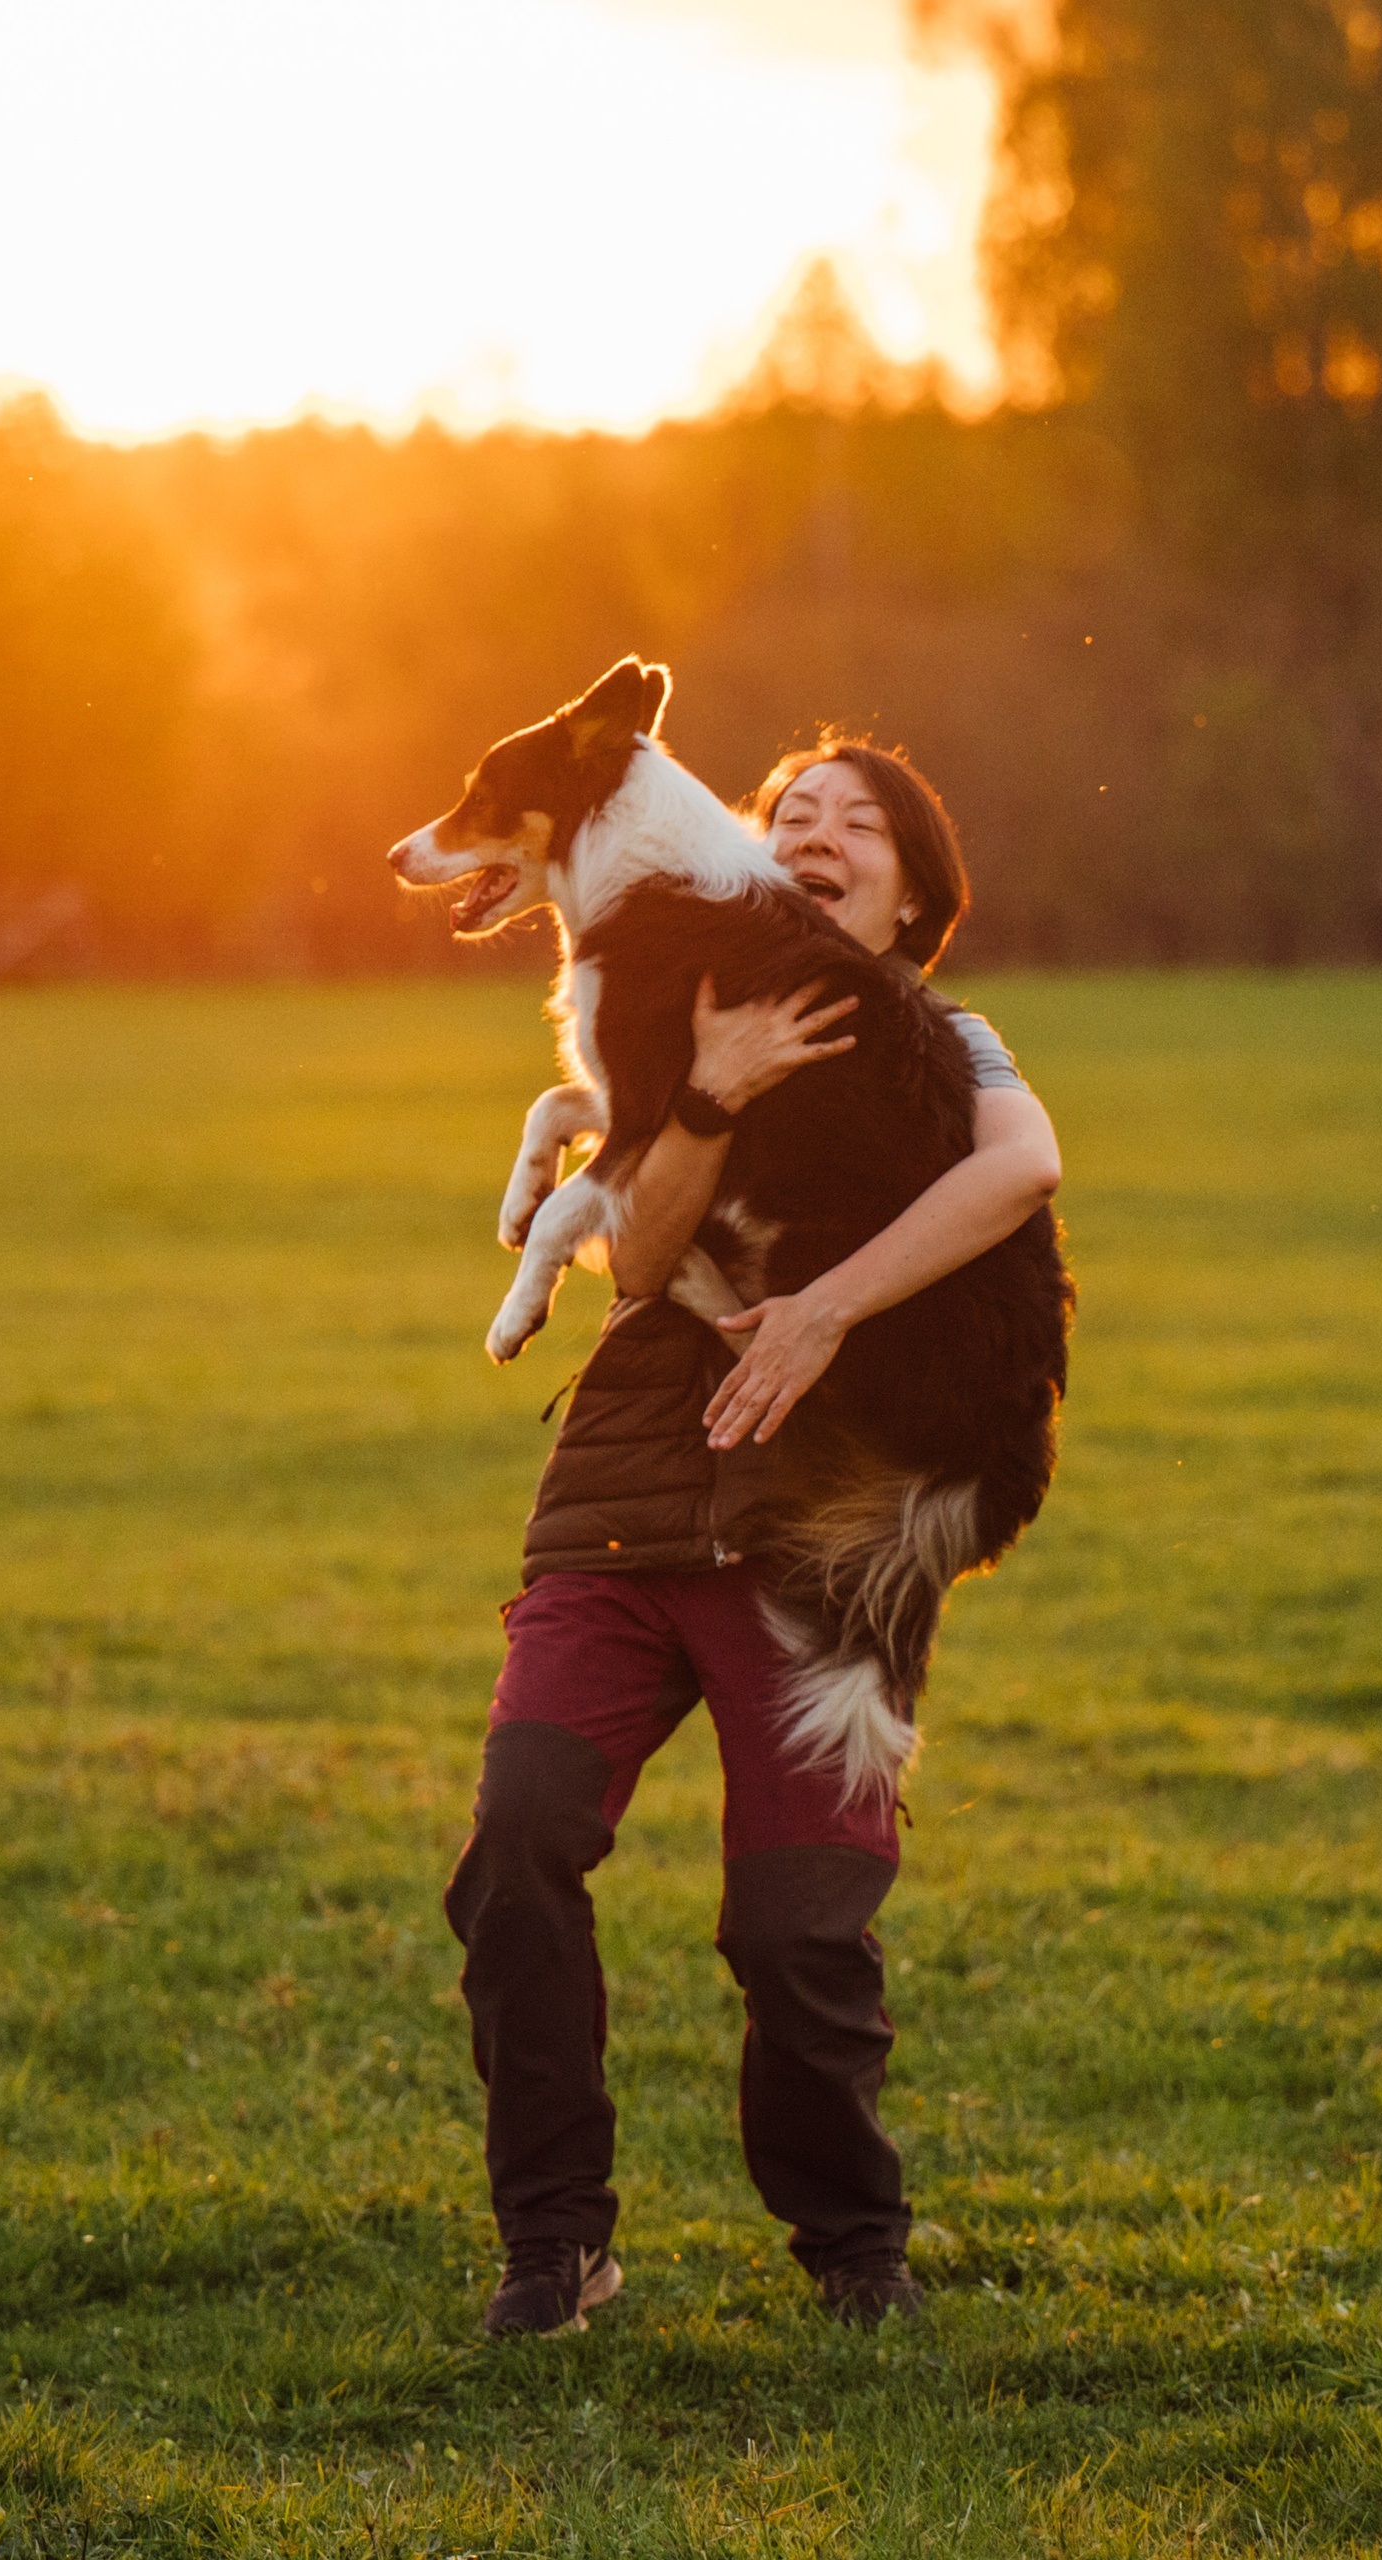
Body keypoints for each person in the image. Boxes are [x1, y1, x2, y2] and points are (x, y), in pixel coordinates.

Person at [443, 737, 1063, 2338]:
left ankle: (856, 2252)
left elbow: (1026, 1171)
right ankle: (552, 2245)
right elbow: (641, 1259)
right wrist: (708, 1085)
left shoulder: (952, 1041)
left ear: (915, 890)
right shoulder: (680, 993)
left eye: (861, 824)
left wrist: (828, 1311)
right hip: (630, 1499)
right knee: (516, 1845)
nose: (815, 833)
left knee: (797, 1928)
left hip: (821, 1529)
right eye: (790, 812)